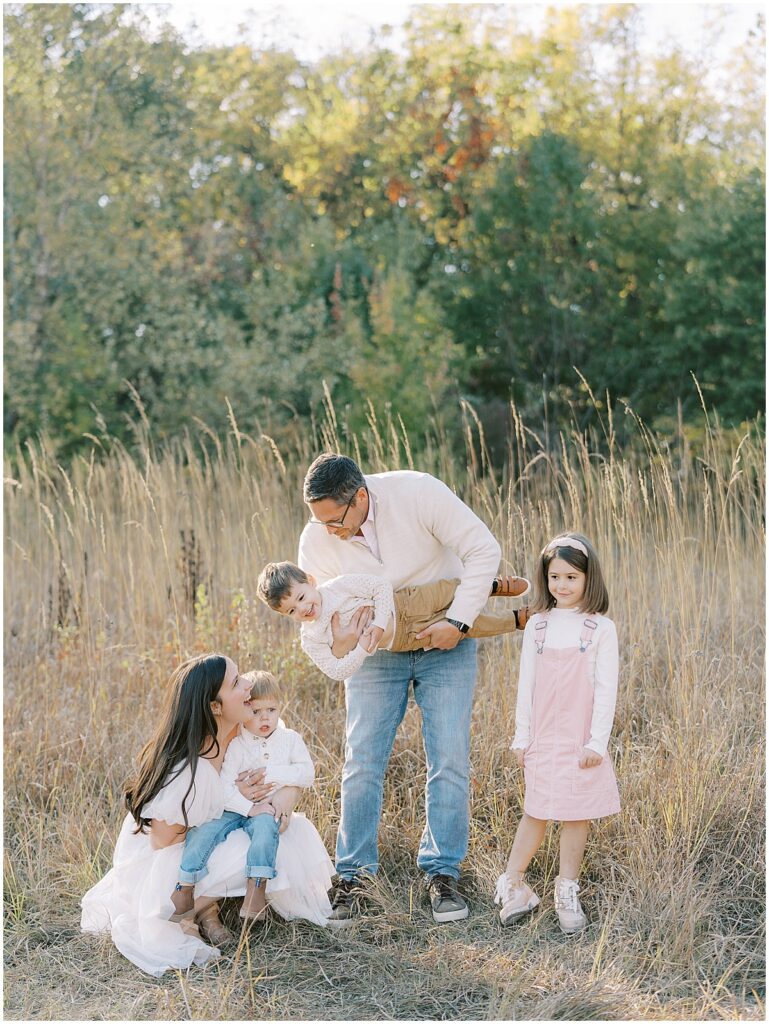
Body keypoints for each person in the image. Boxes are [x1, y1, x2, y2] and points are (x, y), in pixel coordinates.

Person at [297, 452, 508, 925]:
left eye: (336, 521)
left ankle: (442, 872)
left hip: (446, 638)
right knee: (362, 759)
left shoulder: (418, 491)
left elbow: (483, 549)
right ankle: (353, 876)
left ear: (361, 498)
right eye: (320, 522)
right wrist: (344, 635)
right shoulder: (316, 538)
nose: (329, 532)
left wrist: (459, 621)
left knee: (449, 755)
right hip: (378, 655)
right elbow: (322, 612)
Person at [80, 654, 332, 977]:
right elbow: (161, 839)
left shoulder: (249, 727)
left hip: (225, 822)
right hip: (168, 853)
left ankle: (209, 907)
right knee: (226, 844)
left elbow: (289, 773)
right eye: (237, 682)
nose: (248, 685)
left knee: (287, 834)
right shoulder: (189, 767)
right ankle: (197, 908)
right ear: (215, 706)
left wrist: (281, 801)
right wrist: (232, 801)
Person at [495, 533, 621, 934]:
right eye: (554, 577)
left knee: (575, 814)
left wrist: (596, 743)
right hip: (543, 737)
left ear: (588, 579)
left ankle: (566, 889)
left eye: (571, 577)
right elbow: (526, 685)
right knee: (536, 809)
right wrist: (521, 736)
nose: (562, 586)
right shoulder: (538, 626)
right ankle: (513, 885)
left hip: (580, 738)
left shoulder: (600, 628)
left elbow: (606, 690)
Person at [168, 669, 331, 925]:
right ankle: (185, 886)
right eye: (256, 712)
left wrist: (271, 774)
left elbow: (307, 774)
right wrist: (247, 807)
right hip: (234, 807)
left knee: (266, 830)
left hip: (267, 807)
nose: (265, 718)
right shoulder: (238, 743)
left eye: (272, 710)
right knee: (205, 831)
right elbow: (224, 786)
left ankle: (256, 891)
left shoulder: (289, 740)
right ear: (246, 712)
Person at [256, 560, 530, 681]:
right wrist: (363, 647)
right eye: (292, 611)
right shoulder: (311, 638)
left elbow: (380, 587)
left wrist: (377, 624)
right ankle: (516, 619)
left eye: (302, 597)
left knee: (449, 590)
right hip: (404, 638)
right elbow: (337, 671)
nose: (303, 609)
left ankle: (492, 585)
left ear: (311, 581)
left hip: (404, 603)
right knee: (470, 628)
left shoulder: (338, 587)